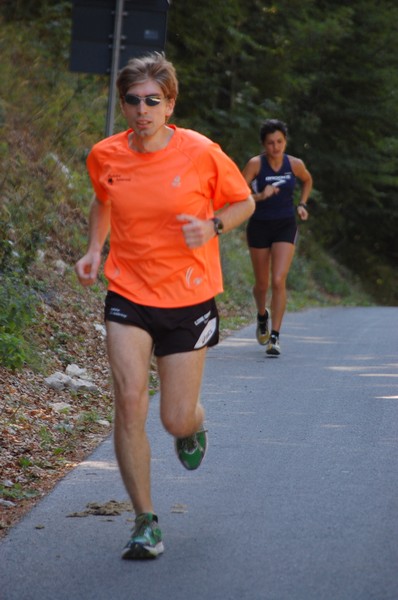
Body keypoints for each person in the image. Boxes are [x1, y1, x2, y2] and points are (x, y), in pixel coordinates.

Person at [75, 52, 255, 560]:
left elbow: (244, 201)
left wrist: (214, 226)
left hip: (189, 297)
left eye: (153, 100)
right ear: (123, 104)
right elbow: (102, 199)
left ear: (170, 103)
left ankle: (193, 425)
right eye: (132, 101)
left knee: (174, 418)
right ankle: (145, 521)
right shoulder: (106, 155)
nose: (141, 110)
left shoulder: (201, 152)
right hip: (128, 292)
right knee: (130, 400)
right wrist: (94, 249)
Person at [242, 119, 312, 356]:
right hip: (259, 226)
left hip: (285, 225)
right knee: (262, 285)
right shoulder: (255, 164)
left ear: (285, 141)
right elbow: (238, 194)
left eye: (280, 141)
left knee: (279, 279)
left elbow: (308, 179)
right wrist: (261, 195)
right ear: (263, 144)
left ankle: (275, 336)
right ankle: (262, 314)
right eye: (270, 143)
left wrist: (302, 203)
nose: (276, 147)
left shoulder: (294, 164)